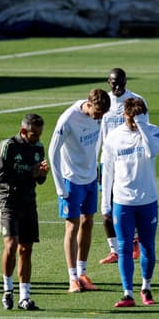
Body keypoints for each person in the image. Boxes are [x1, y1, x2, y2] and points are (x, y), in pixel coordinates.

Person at [100, 97, 159, 307]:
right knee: (124, 248)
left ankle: (146, 286)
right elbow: (107, 171)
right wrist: (105, 203)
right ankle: (127, 293)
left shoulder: (153, 131)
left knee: (148, 247)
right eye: (131, 118)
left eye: (139, 118)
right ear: (124, 114)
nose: (134, 123)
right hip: (122, 201)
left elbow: (152, 151)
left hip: (147, 200)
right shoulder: (113, 137)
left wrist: (142, 125)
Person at [49, 88, 110, 293]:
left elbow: (98, 141)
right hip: (71, 180)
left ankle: (83, 273)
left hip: (90, 178)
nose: (99, 117)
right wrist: (59, 186)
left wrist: (96, 165)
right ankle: (72, 277)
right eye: (98, 113)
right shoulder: (68, 119)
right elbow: (52, 151)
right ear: (89, 104)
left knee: (88, 222)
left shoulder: (98, 116)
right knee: (72, 226)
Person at [0, 114, 49, 311]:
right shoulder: (8, 146)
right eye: (34, 134)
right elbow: (2, 176)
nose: (37, 138)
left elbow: (39, 180)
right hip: (8, 202)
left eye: (39, 134)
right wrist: (31, 172)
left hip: (29, 203)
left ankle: (24, 297)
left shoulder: (38, 148)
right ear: (23, 131)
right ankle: (7, 290)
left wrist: (42, 174)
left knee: (26, 249)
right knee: (11, 245)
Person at [98, 68, 148, 264]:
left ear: (126, 81)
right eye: (114, 83)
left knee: (130, 202)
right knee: (106, 206)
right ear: (108, 82)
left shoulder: (136, 101)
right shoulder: (103, 102)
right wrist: (95, 160)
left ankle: (135, 242)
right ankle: (114, 250)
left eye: (120, 82)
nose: (117, 86)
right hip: (107, 161)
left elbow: (144, 131)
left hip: (128, 162)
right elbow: (98, 133)